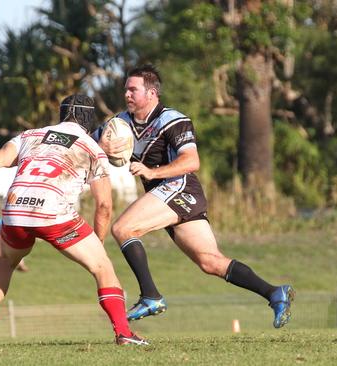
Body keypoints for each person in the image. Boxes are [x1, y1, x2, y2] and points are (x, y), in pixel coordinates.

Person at [94, 65, 294, 328]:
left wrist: (152, 173)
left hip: (181, 189)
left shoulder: (172, 120)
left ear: (152, 93)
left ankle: (150, 296)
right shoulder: (120, 123)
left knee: (123, 228)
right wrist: (100, 146)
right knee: (210, 262)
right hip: (164, 196)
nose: (127, 94)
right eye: (125, 90)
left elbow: (191, 161)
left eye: (133, 89)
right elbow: (88, 144)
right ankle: (274, 293)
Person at [0, 94, 147, 346]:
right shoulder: (92, 147)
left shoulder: (30, 135)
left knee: (6, 262)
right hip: (53, 214)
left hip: (14, 209)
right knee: (102, 267)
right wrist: (98, 242)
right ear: (90, 119)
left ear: (62, 114)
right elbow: (105, 205)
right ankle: (124, 333)